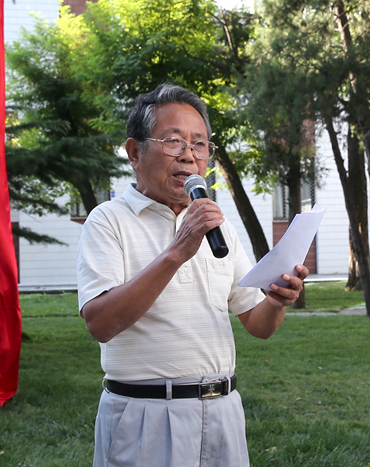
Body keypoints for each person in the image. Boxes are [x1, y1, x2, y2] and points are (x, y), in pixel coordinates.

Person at [77, 83, 308, 467]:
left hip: (223, 411)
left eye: (199, 145)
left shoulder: (218, 225)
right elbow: (100, 323)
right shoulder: (108, 221)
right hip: (145, 416)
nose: (189, 156)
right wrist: (177, 252)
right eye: (173, 142)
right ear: (135, 152)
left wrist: (276, 299)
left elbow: (258, 324)